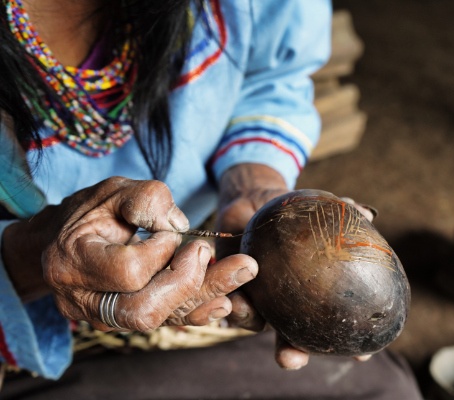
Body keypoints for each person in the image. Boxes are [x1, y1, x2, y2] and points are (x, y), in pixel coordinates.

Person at [0, 0, 422, 398]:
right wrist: (32, 253)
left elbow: (270, 78)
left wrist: (252, 183)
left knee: (383, 388)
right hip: (15, 329)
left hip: (180, 298)